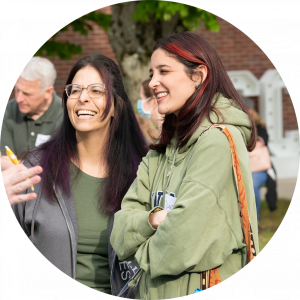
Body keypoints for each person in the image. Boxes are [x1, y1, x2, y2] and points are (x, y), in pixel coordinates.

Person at [111, 32, 259, 299]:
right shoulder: (161, 150)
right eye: (151, 73)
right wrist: (154, 220)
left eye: (163, 71)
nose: (153, 82)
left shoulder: (217, 141)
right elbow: (119, 232)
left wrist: (139, 248)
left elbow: (177, 245)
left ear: (198, 75)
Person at [10, 55, 147, 297]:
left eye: (96, 90)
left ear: (116, 105)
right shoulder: (37, 168)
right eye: (75, 90)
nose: (83, 97)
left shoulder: (143, 173)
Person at [0, 57, 62, 171]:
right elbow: (3, 160)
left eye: (27, 94)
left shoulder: (65, 116)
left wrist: (18, 166)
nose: (19, 99)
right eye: (17, 90)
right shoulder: (8, 111)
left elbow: (60, 166)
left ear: (48, 92)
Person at [242, 97, 277, 223]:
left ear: (250, 110)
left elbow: (262, 141)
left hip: (258, 168)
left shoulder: (260, 126)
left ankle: (254, 220)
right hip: (243, 166)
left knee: (252, 184)